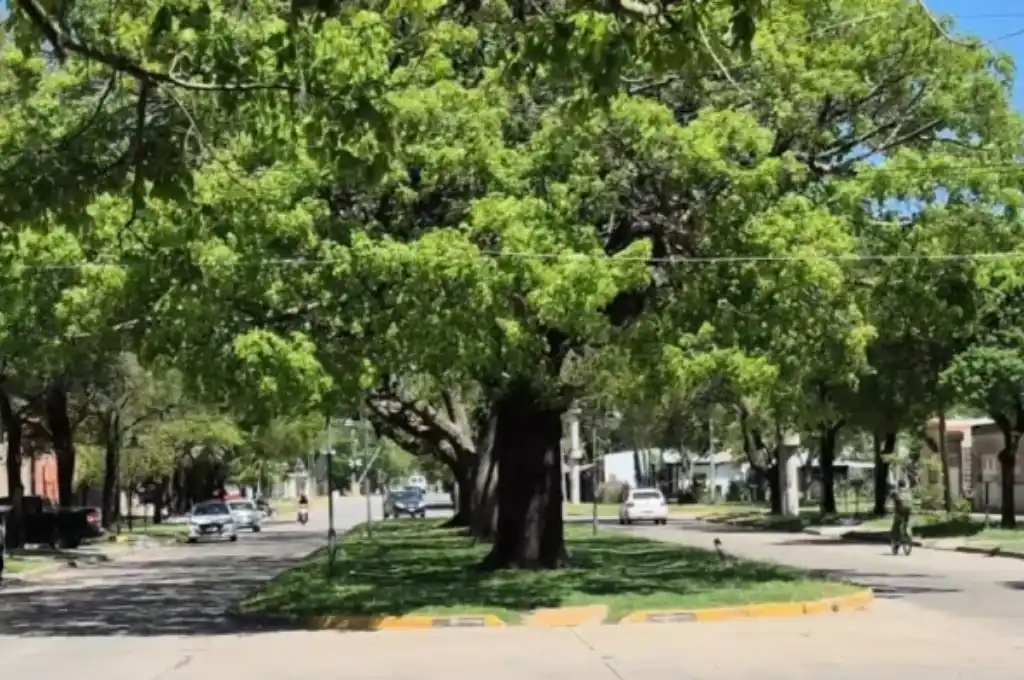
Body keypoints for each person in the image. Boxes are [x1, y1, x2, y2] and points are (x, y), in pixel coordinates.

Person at [890, 479, 914, 544]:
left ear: (898, 485)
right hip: (908, 510)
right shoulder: (908, 491)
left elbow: (891, 495)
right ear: (905, 485)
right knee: (906, 523)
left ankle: (896, 540)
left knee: (896, 525)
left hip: (900, 511)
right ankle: (907, 533)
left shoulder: (897, 491)